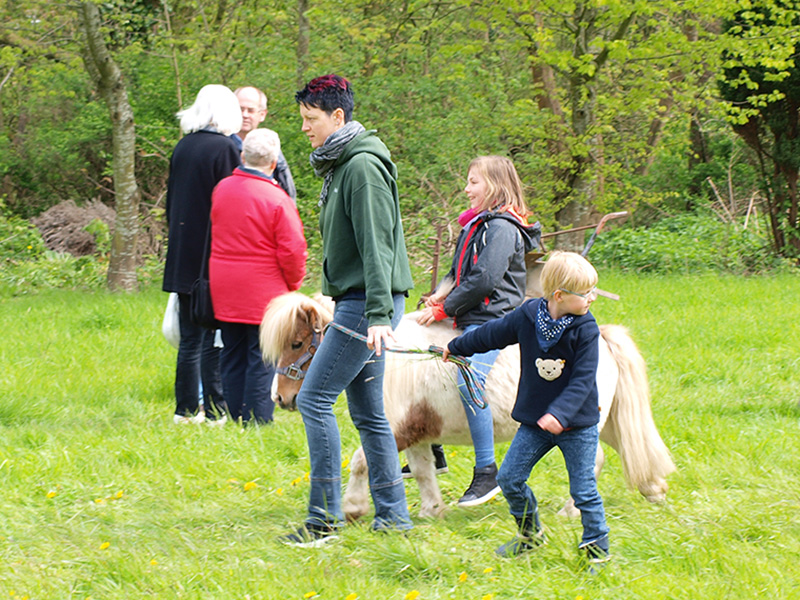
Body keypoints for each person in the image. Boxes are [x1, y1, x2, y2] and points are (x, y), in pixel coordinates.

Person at [280, 74, 414, 547]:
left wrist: (377, 314)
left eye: (310, 119)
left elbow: (377, 246)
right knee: (369, 413)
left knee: (314, 399)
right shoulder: (341, 165)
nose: (304, 128)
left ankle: (323, 520)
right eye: (302, 119)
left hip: (368, 305)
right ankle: (394, 517)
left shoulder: (361, 168)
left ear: (337, 117)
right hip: (359, 301)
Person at [443, 251, 610, 568]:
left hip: (577, 426)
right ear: (559, 296)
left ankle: (597, 551)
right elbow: (493, 333)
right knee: (509, 479)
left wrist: (560, 414)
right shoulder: (529, 315)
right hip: (535, 424)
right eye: (586, 293)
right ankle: (530, 535)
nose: (592, 298)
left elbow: (583, 380)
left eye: (593, 291)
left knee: (583, 491)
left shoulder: (586, 329)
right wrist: (456, 346)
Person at [415, 156, 541, 507]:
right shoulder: (478, 224)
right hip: (470, 314)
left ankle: (487, 472)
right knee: (421, 362)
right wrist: (437, 297)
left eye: (473, 182)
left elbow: (484, 280)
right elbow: (456, 273)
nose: (466, 189)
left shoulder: (502, 228)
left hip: (494, 320)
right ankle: (432, 450)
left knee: (468, 378)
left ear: (495, 186)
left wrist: (445, 309)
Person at [209, 129, 307, 425]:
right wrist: (293, 284)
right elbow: (293, 250)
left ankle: (235, 415)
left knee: (231, 350)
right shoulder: (277, 199)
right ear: (274, 162)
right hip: (264, 289)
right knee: (262, 356)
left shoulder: (222, 189)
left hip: (224, 283)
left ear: (243, 156)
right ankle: (257, 420)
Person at [162, 84, 242, 425]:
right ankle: (216, 411)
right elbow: (233, 204)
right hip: (212, 256)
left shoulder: (183, 146)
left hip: (183, 254)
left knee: (189, 339)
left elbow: (171, 203)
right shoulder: (225, 148)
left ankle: (184, 411)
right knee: (212, 337)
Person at [233, 86, 297, 200]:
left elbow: (287, 190)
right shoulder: (222, 147)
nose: (245, 115)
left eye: (250, 110)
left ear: (262, 114)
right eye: (240, 109)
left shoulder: (269, 146)